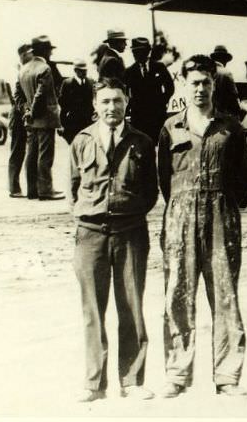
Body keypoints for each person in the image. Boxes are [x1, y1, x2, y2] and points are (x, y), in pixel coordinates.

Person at [157, 55, 247, 398]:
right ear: (183, 83)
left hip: (220, 216)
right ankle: (177, 374)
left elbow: (244, 176)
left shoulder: (231, 128)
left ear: (214, 84)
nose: (200, 89)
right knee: (178, 294)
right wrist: (180, 208)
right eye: (194, 82)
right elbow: (163, 179)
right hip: (180, 216)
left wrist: (225, 204)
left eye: (206, 82)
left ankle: (227, 376)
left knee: (225, 295)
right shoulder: (170, 127)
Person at [69, 77, 158, 402]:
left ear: (127, 101)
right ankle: (94, 384)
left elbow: (151, 190)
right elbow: (74, 185)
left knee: (131, 306)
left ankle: (132, 380)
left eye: (117, 100)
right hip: (90, 234)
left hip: (130, 232)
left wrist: (126, 211)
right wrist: (90, 214)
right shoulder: (81, 140)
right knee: (93, 310)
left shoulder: (142, 142)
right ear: (95, 104)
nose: (111, 107)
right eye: (105, 101)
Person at [18, 35, 64, 200]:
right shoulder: (45, 68)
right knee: (45, 155)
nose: (50, 54)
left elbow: (18, 94)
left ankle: (32, 190)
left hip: (31, 119)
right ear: (44, 51)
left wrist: (26, 111)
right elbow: (41, 93)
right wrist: (34, 111)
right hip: (44, 118)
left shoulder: (23, 69)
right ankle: (45, 190)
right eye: (49, 50)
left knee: (31, 154)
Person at [123, 37, 174, 142]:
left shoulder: (159, 67)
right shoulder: (129, 72)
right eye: (134, 52)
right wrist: (131, 106)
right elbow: (125, 94)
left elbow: (170, 87)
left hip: (158, 115)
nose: (136, 54)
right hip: (139, 118)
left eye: (139, 51)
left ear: (147, 52)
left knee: (160, 144)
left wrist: (162, 101)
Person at [8, 44, 33, 198]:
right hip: (18, 114)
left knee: (27, 150)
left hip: (25, 113)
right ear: (23, 55)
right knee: (17, 150)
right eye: (29, 54)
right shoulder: (17, 72)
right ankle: (14, 187)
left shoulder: (25, 71)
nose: (31, 56)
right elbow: (17, 97)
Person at [59, 59, 95, 144]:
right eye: (81, 71)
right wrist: (61, 124)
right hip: (73, 122)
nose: (84, 73)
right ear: (75, 70)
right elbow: (62, 104)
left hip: (88, 121)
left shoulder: (90, 82)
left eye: (85, 70)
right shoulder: (67, 83)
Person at [209, 44, 244, 120]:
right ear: (225, 60)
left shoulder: (206, 72)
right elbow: (233, 97)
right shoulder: (226, 73)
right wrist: (241, 111)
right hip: (222, 116)